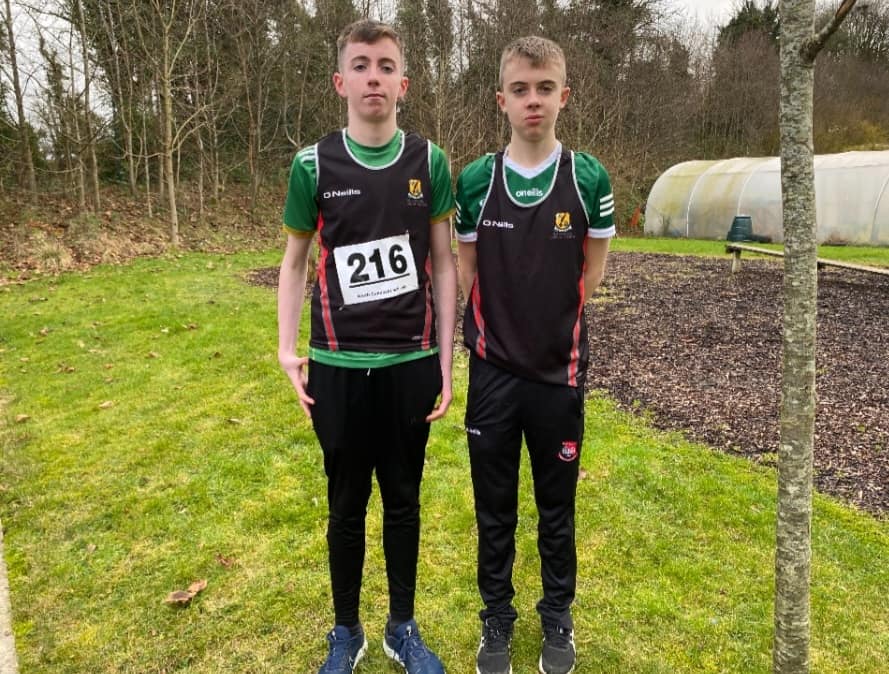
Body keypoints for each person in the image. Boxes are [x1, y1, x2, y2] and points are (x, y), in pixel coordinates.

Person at [277, 19, 456, 674]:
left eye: (385, 66)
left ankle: (401, 628)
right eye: (360, 65)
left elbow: (443, 263)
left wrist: (445, 359)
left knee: (403, 501)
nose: (373, 77)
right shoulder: (312, 165)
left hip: (410, 363)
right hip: (338, 365)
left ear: (403, 83)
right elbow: (295, 261)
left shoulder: (429, 163)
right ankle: (345, 630)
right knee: (346, 503)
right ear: (340, 81)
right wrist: (286, 349)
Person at [455, 36, 614, 674]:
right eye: (520, 89)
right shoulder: (475, 181)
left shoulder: (588, 178)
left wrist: (547, 326)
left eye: (545, 88)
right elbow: (468, 273)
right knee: (494, 511)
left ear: (564, 96)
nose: (533, 101)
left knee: (557, 512)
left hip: (557, 376)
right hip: (492, 375)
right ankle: (496, 619)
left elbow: (591, 273)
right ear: (501, 99)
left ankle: (558, 618)